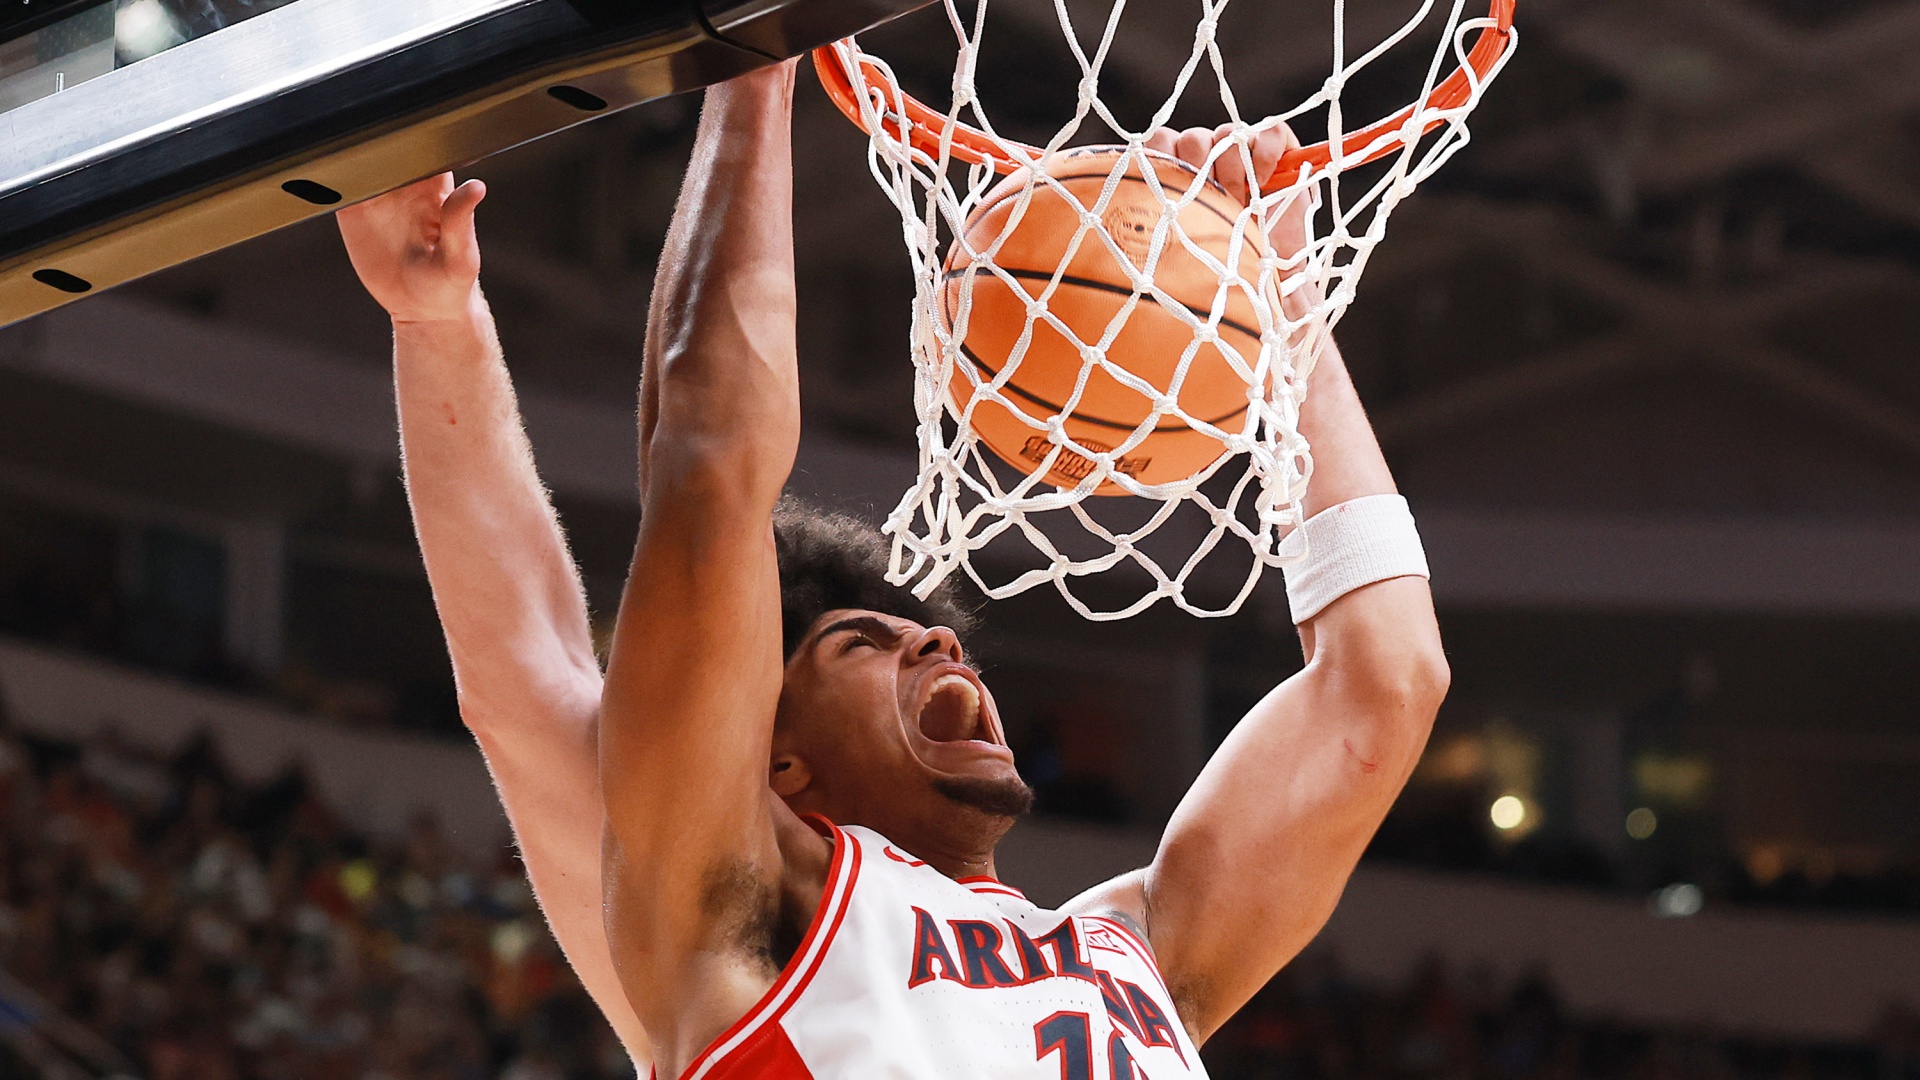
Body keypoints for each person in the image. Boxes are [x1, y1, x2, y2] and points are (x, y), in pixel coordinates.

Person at [339, 56, 1445, 1080]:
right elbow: (706, 477)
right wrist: (752, 73)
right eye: (858, 642)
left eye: (917, 631)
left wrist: (1284, 292)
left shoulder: (1135, 950)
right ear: (772, 762)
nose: (937, 637)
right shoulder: (742, 921)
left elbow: (1387, 680)